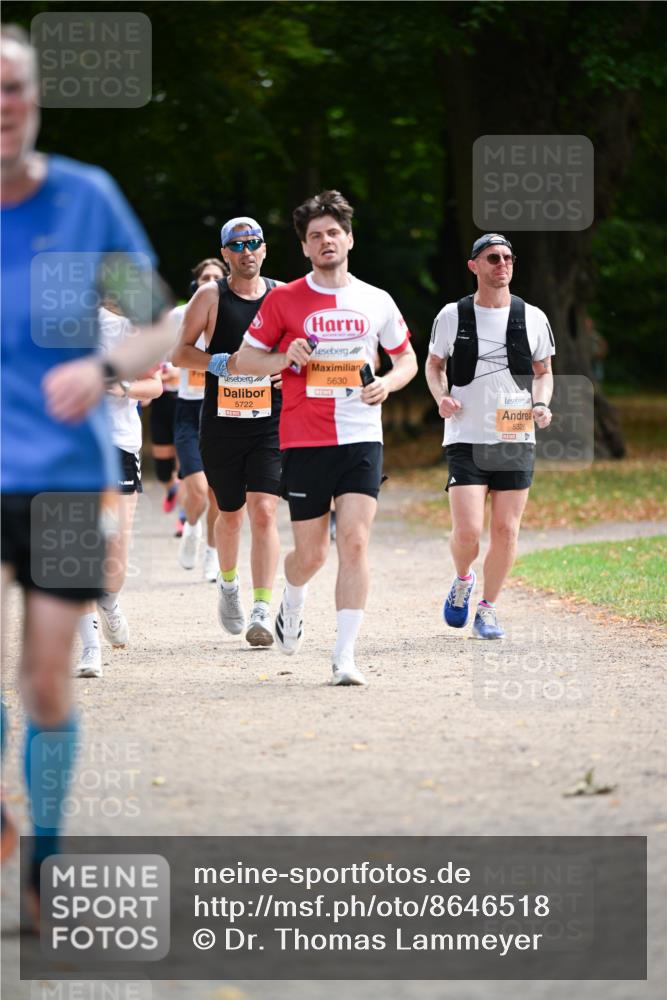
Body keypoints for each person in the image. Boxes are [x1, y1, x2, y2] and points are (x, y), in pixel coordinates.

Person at [0, 25, 174, 910]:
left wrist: (104, 368)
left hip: (65, 472)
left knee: (44, 674)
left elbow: (159, 322)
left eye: (16, 89)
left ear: (36, 101)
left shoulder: (86, 196)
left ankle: (46, 861)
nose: (3, 106)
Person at [235, 190, 418, 686]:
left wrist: (388, 383)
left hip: (361, 435)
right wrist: (283, 358)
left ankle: (344, 654)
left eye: (333, 232)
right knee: (312, 554)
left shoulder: (375, 299)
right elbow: (242, 361)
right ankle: (291, 600)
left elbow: (406, 359)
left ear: (349, 239)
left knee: (355, 542)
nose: (325, 241)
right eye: (315, 236)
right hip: (304, 438)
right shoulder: (284, 299)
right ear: (304, 248)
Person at [425, 233, 555, 639]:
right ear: (474, 266)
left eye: (508, 258)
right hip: (465, 435)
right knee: (467, 532)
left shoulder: (532, 316)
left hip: (515, 436)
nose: (502, 264)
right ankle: (463, 579)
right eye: (493, 258)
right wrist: (441, 397)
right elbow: (433, 365)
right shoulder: (452, 315)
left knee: (506, 530)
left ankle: (488, 608)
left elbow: (543, 371)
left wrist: (541, 404)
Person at [172, 218, 283, 647]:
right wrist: (222, 363)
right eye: (237, 245)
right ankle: (229, 583)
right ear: (225, 254)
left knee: (265, 512)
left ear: (265, 249)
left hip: (270, 421)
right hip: (221, 422)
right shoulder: (210, 296)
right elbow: (180, 353)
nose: (246, 250)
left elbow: (302, 352)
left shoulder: (281, 295)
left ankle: (261, 605)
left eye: (253, 242)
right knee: (231, 514)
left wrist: (286, 373)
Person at [74, 304, 163, 679]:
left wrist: (122, 387)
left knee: (115, 550)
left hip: (119, 445)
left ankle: (108, 599)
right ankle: (90, 646)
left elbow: (155, 385)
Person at [171, 258, 226, 580]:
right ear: (195, 283)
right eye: (204, 277)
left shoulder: (232, 314)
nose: (209, 281)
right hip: (189, 413)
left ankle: (212, 554)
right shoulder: (179, 316)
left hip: (221, 407)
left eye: (215, 278)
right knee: (196, 489)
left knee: (217, 492)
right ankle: (191, 528)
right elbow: (160, 354)